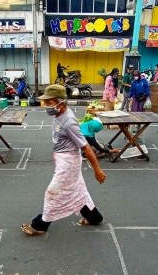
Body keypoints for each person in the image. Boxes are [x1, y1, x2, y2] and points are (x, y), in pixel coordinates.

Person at [21, 85, 106, 236]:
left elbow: (86, 147)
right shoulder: (59, 114)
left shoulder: (69, 122)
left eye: (49, 102)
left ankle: (41, 225)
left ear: (60, 102)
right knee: (78, 191)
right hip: (64, 159)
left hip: (69, 163)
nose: (46, 106)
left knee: (53, 192)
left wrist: (97, 170)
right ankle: (94, 217)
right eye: (46, 102)